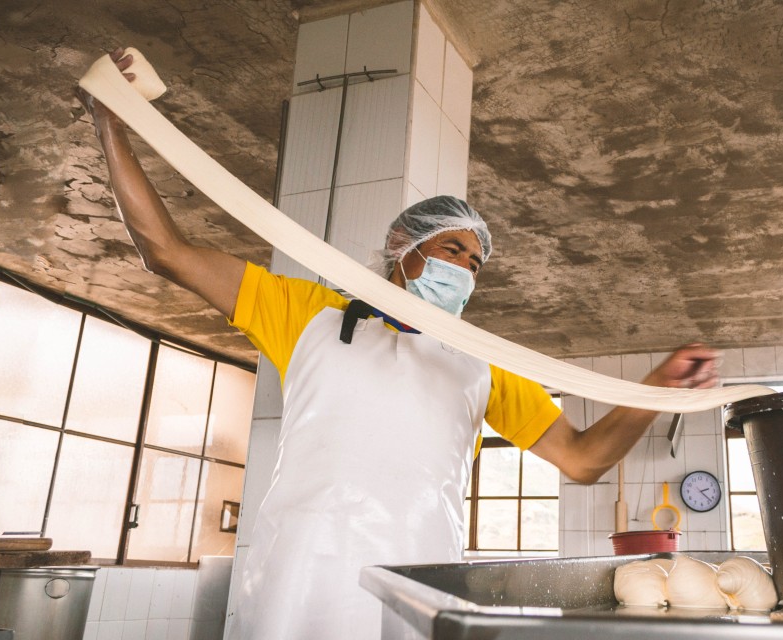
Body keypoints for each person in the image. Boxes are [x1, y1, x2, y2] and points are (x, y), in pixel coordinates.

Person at [78, 48, 722, 640]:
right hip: (300, 578)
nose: (465, 270)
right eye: (451, 250)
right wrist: (113, 122)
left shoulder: (483, 361)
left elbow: (583, 461)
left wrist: (656, 388)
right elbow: (166, 252)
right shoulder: (306, 312)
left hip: (419, 584)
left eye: (475, 263)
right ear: (403, 250)